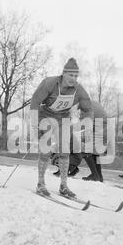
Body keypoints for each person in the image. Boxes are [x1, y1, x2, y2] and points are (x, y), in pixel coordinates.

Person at [30, 57, 93, 197]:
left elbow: (88, 109)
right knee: (45, 151)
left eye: (76, 76)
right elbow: (35, 101)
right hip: (45, 116)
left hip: (63, 118)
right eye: (70, 75)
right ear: (63, 73)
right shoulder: (49, 83)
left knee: (65, 151)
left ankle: (63, 186)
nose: (73, 78)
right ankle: (41, 183)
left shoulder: (78, 90)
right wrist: (34, 125)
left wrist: (88, 126)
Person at [51, 100, 108, 182]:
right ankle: (98, 176)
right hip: (103, 128)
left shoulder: (85, 105)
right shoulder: (90, 103)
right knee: (94, 152)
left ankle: (95, 175)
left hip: (99, 128)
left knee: (86, 150)